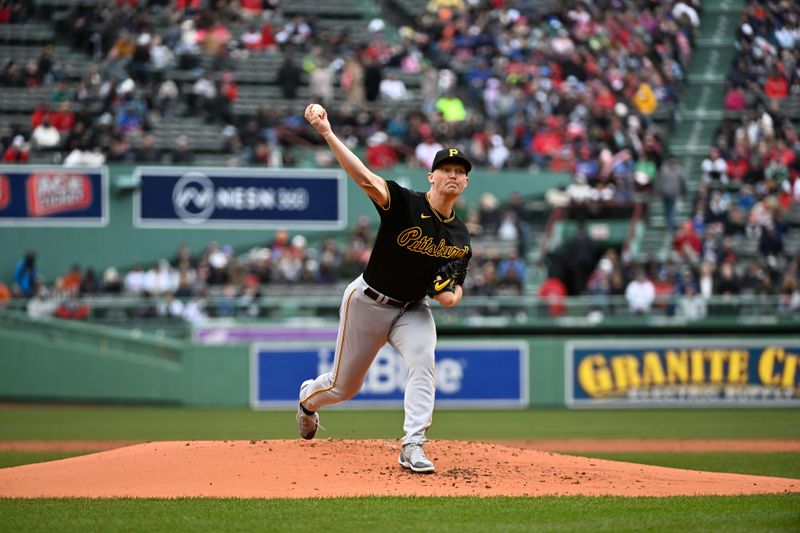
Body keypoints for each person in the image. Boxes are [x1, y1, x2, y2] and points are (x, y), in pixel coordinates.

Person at [297, 103, 473, 474]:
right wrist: (328, 133)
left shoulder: (461, 235)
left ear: (466, 182)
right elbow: (363, 177)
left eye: (460, 172)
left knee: (423, 361)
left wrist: (449, 297)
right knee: (343, 388)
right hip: (368, 301)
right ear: (431, 176)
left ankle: (412, 444)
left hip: (412, 308)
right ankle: (307, 402)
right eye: (446, 170)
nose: (453, 176)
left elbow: (453, 291)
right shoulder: (404, 204)